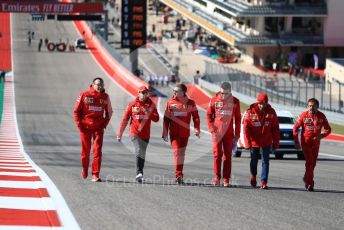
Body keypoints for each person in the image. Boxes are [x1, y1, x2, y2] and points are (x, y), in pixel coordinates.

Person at [116, 86, 159, 182]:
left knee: (142, 153)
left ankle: (140, 173)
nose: (144, 95)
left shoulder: (151, 105)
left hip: (146, 134)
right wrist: (120, 133)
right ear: (138, 93)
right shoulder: (132, 105)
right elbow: (125, 119)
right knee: (139, 150)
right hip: (134, 133)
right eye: (142, 93)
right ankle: (138, 173)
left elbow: (156, 119)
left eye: (145, 93)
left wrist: (148, 112)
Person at [73, 78, 113, 182]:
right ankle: (85, 169)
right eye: (98, 84)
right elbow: (76, 111)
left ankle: (95, 174)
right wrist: (80, 125)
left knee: (97, 151)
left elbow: (109, 112)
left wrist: (104, 124)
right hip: (85, 128)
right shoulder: (84, 95)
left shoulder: (105, 97)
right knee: (85, 152)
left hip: (98, 128)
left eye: (102, 84)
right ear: (92, 85)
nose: (100, 86)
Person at [162, 83, 200, 184]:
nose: (174, 92)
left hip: (185, 133)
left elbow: (195, 117)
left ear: (183, 92)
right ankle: (178, 175)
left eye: (176, 91)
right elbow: (166, 119)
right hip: (174, 133)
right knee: (177, 152)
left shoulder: (191, 103)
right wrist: (165, 132)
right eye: (174, 90)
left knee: (181, 154)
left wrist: (197, 129)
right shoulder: (170, 102)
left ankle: (180, 174)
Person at [206, 82, 241, 187]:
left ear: (230, 91)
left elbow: (238, 119)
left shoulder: (235, 101)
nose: (224, 95)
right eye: (222, 93)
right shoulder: (214, 100)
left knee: (227, 156)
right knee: (217, 155)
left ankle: (226, 179)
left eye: (226, 93)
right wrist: (212, 129)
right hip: (217, 133)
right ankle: (216, 177)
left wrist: (237, 134)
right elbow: (208, 115)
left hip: (229, 133)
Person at [293, 98, 331, 191]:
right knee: (309, 162)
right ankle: (310, 183)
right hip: (305, 142)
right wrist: (296, 141)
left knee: (313, 164)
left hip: (316, 143)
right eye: (309, 106)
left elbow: (328, 129)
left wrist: (322, 135)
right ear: (307, 106)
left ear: (317, 106)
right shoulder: (303, 115)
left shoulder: (321, 116)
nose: (311, 107)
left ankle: (306, 178)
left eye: (313, 106)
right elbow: (295, 128)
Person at [243, 93, 279, 189]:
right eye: (261, 103)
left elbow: (275, 129)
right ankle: (253, 176)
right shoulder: (250, 112)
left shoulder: (272, 112)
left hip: (266, 141)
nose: (262, 105)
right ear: (257, 102)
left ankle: (264, 182)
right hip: (254, 142)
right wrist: (247, 143)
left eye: (264, 103)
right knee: (254, 161)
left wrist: (275, 144)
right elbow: (246, 129)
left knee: (265, 161)